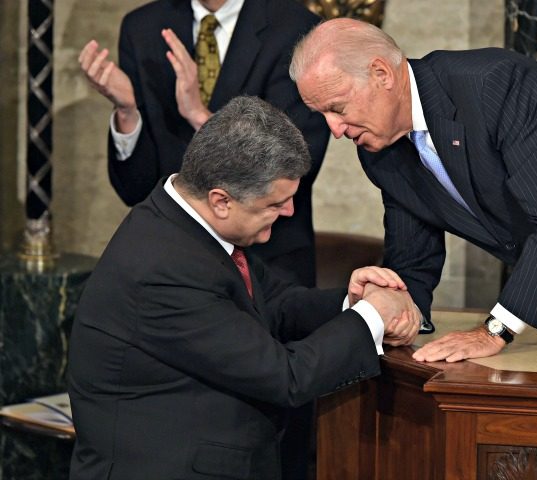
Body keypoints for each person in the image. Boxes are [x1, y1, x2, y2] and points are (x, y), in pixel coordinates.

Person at [67, 96, 421, 480]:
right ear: (222, 200)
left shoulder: (187, 223)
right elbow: (286, 377)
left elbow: (277, 302)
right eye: (276, 203)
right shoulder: (163, 268)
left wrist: (352, 299)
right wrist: (371, 316)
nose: (288, 213)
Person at [290, 18, 537, 363]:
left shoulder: (496, 85)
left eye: (337, 108)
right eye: (322, 115)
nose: (334, 130)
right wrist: (398, 312)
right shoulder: (379, 153)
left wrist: (494, 331)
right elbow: (414, 258)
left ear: (381, 74)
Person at [78, 0, 330, 289]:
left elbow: (296, 165)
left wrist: (199, 114)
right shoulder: (143, 27)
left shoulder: (296, 26)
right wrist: (127, 111)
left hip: (267, 266)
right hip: (171, 265)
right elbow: (135, 189)